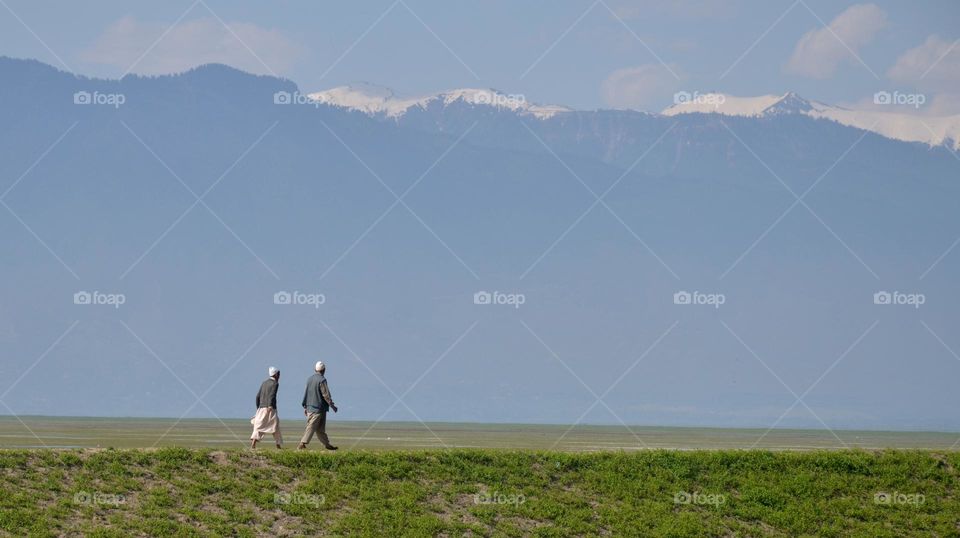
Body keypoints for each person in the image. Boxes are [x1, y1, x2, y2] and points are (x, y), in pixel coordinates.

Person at [298, 361, 338, 450]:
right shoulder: (322, 380)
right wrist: (332, 405)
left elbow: (306, 393)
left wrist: (305, 406)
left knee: (320, 429)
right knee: (311, 426)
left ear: (315, 369)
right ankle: (302, 443)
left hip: (311, 407)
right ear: (324, 370)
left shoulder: (309, 379)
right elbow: (325, 394)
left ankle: (327, 445)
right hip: (318, 408)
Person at [250, 367, 283, 449]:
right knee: (275, 426)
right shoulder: (275, 383)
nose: (279, 376)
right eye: (278, 374)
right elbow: (272, 395)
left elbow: (258, 396)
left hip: (261, 408)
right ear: (275, 375)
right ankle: (278, 445)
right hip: (270, 408)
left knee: (259, 425)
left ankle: (253, 443)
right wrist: (270, 405)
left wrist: (258, 408)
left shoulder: (264, 383)